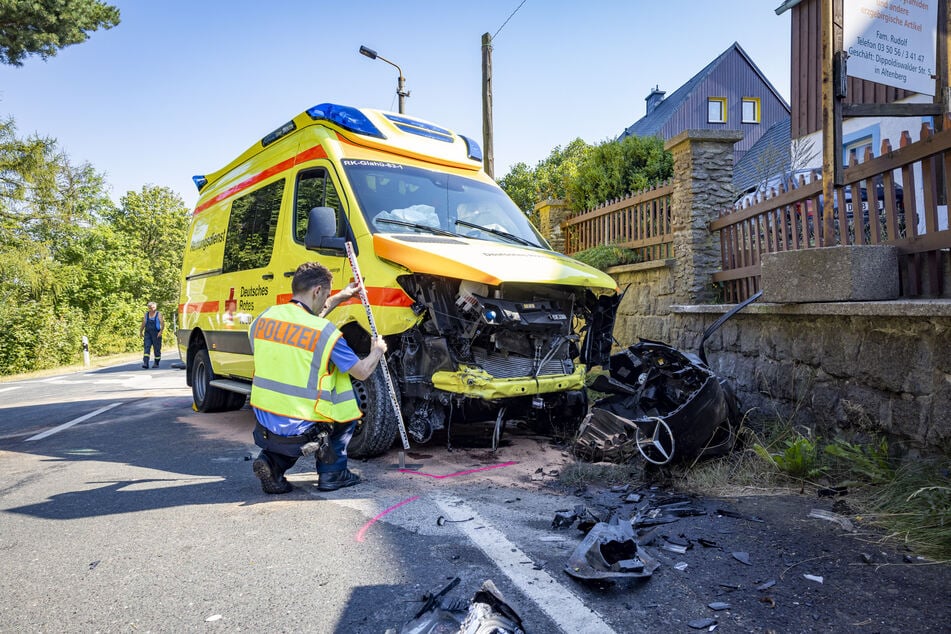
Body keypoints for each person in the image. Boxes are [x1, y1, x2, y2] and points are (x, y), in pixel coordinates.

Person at [248, 262, 387, 494]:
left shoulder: (263, 319)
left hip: (264, 418)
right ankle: (333, 473)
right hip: (301, 423)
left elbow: (306, 319)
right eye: (327, 295)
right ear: (317, 291)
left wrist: (341, 296)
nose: (326, 301)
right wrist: (378, 350)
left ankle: (272, 463)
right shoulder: (325, 332)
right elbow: (361, 371)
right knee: (344, 409)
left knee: (288, 427)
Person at [139, 302, 163, 368]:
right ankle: (146, 363)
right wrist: (141, 331)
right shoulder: (146, 314)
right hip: (148, 333)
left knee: (157, 348)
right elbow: (143, 323)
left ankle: (156, 362)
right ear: (148, 308)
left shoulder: (159, 314)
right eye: (150, 308)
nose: (152, 309)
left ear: (155, 307)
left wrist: (161, 331)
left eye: (153, 307)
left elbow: (162, 323)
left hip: (156, 333)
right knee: (147, 347)